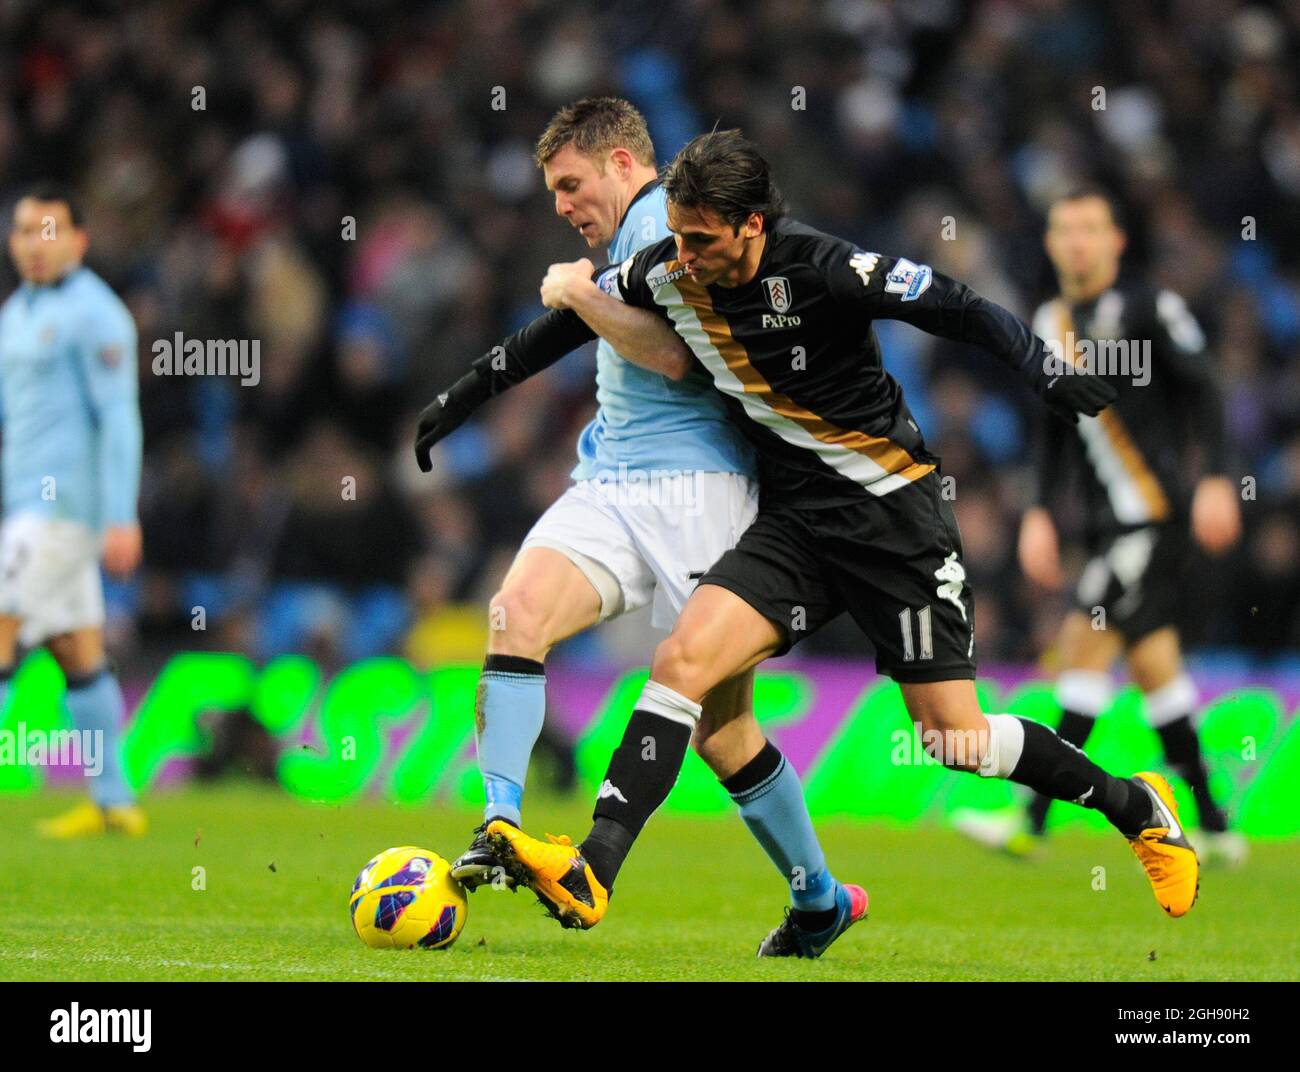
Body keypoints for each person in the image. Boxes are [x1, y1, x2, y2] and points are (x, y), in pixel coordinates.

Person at [422, 130, 1200, 947]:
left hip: (894, 522)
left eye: (699, 240)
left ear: (752, 225)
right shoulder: (668, 269)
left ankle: (1134, 805)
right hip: (796, 524)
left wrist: (1043, 371)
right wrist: (470, 390)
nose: (678, 256)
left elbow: (957, 306)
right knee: (683, 663)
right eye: (675, 237)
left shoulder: (826, 269)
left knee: (954, 737)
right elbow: (569, 325)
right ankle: (592, 869)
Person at [420, 100, 864, 956]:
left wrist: (580, 296)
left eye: (571, 184)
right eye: (554, 191)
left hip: (702, 488)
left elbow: (673, 355)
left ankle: (819, 895)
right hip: (612, 481)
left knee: (723, 726)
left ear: (625, 164)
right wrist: (469, 391)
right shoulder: (633, 245)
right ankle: (501, 826)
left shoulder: (668, 221)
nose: (562, 204)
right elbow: (570, 329)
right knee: (516, 613)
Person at [955, 187, 1246, 866]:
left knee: (1083, 642)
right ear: (1052, 243)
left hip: (1155, 516)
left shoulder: (1151, 307)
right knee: (1154, 668)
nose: (1076, 242)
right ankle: (1217, 824)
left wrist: (1215, 479)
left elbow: (1206, 389)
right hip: (1104, 524)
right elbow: (1051, 429)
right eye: (1064, 230)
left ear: (1116, 240)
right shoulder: (1051, 319)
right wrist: (1036, 514)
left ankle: (1030, 818)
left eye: (1090, 229)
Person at [0, 184, 145, 837]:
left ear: (79, 241)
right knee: (77, 651)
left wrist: (120, 515)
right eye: (25, 230)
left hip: (60, 512)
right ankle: (115, 801)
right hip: (25, 506)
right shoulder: (15, 314)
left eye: (49, 230)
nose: (35, 243)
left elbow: (119, 420)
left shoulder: (97, 315)